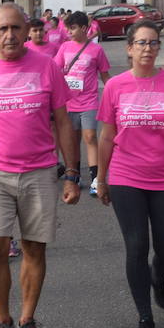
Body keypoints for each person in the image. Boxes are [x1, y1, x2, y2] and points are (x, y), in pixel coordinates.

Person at [0, 2, 81, 328]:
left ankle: (27, 321)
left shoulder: (47, 67)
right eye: (3, 29)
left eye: (16, 28)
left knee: (33, 248)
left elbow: (62, 122)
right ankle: (2, 320)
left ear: (28, 30)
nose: (10, 35)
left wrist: (72, 173)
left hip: (40, 171)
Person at [95, 23, 164, 328]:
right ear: (129, 48)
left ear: (159, 48)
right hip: (126, 176)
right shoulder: (116, 87)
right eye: (141, 43)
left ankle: (158, 276)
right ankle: (145, 318)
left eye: (153, 43)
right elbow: (106, 135)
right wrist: (101, 177)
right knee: (136, 246)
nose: (147, 48)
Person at [55, 11, 110, 195]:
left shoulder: (96, 50)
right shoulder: (64, 48)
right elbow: (55, 71)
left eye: (73, 28)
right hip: (69, 103)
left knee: (90, 137)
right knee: (72, 140)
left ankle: (96, 178)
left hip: (89, 102)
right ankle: (75, 174)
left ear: (84, 29)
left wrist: (118, 96)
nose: (68, 32)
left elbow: (105, 76)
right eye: (67, 28)